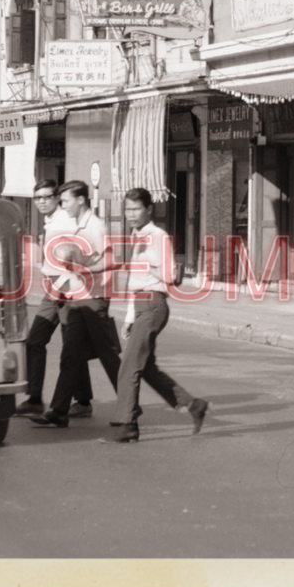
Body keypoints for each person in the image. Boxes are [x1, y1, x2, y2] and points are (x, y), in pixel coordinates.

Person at [101, 188, 209, 444]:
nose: (131, 214)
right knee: (146, 368)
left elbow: (171, 276)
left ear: (149, 209)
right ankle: (193, 405)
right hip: (141, 305)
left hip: (153, 304)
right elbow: (135, 280)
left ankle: (127, 425)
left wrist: (149, 263)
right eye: (127, 209)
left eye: (136, 209)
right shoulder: (136, 235)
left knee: (128, 367)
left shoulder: (158, 236)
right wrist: (129, 316)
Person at [31, 181, 122, 428]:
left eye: (66, 201)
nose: (63, 206)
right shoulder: (76, 226)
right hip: (76, 296)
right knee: (71, 354)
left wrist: (83, 270)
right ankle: (59, 411)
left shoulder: (95, 225)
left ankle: (129, 406)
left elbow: (113, 260)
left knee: (107, 355)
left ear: (81, 200)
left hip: (94, 298)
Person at [17, 181, 96, 419]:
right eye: (37, 198)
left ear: (56, 198)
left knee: (71, 348)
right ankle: (34, 398)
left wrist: (62, 286)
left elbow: (74, 257)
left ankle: (82, 401)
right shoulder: (51, 221)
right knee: (35, 341)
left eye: (46, 197)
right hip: (52, 289)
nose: (41, 201)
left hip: (66, 290)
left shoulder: (64, 221)